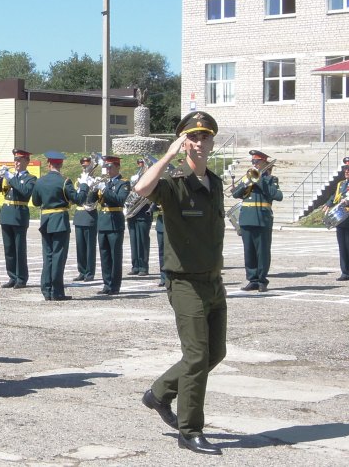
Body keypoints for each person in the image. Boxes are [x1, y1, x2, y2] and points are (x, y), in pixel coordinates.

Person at [135, 111, 227, 456]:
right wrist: (168, 155)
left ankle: (159, 393)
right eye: (194, 137)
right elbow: (141, 188)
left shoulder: (214, 184)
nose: (200, 143)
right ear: (184, 141)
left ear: (212, 142)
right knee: (197, 355)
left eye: (206, 137)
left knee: (215, 352)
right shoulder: (173, 184)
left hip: (213, 281)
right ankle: (190, 430)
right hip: (185, 282)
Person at [31, 151, 81, 301]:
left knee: (48, 256)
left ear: (48, 164)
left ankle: (46, 290)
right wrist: (84, 186)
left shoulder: (40, 181)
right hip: (59, 220)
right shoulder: (65, 181)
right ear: (61, 164)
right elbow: (78, 199)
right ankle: (57, 292)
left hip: (45, 220)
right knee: (58, 256)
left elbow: (35, 202)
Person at [232, 150, 283, 292]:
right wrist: (246, 183)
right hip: (246, 218)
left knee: (262, 252)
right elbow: (235, 194)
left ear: (264, 163)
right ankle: (252, 279)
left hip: (262, 218)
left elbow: (278, 196)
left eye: (256, 162)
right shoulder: (246, 178)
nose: (254, 164)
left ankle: (262, 280)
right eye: (252, 162)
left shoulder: (271, 179)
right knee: (249, 251)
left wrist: (259, 180)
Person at [0, 148, 35, 289]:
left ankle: (21, 278)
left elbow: (26, 191)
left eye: (19, 160)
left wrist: (10, 177)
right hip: (7, 215)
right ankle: (12, 276)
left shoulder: (30, 178)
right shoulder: (10, 176)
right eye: (15, 160)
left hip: (19, 214)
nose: (16, 163)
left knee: (19, 248)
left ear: (26, 162)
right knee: (8, 248)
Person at [93, 156, 130, 295]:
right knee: (104, 255)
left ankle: (115, 286)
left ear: (117, 167)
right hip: (103, 221)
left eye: (110, 167)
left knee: (115, 255)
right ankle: (106, 284)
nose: (107, 170)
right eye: (106, 167)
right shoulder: (105, 182)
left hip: (115, 221)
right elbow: (91, 200)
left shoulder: (123, 183)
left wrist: (105, 190)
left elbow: (120, 200)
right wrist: (92, 188)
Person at [73, 155, 99, 282]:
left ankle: (89, 272)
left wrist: (93, 185)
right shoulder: (79, 180)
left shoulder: (95, 180)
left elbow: (96, 197)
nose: (85, 167)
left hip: (89, 215)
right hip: (79, 215)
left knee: (90, 247)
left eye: (87, 165)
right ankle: (81, 271)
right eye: (83, 165)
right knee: (80, 246)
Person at [127, 158, 154, 277]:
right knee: (133, 240)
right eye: (139, 164)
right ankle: (135, 266)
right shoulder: (134, 178)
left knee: (142, 240)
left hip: (143, 212)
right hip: (133, 212)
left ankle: (143, 266)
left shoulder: (151, 180)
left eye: (143, 165)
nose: (141, 167)